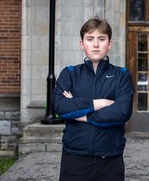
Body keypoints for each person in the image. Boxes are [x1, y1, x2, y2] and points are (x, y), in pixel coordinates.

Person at [52, 16, 134, 181]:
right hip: (74, 158)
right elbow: (60, 107)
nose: (95, 44)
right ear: (82, 44)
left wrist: (80, 114)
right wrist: (101, 103)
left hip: (110, 159)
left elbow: (122, 112)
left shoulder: (122, 75)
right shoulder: (70, 73)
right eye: (90, 39)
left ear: (109, 44)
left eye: (101, 39)